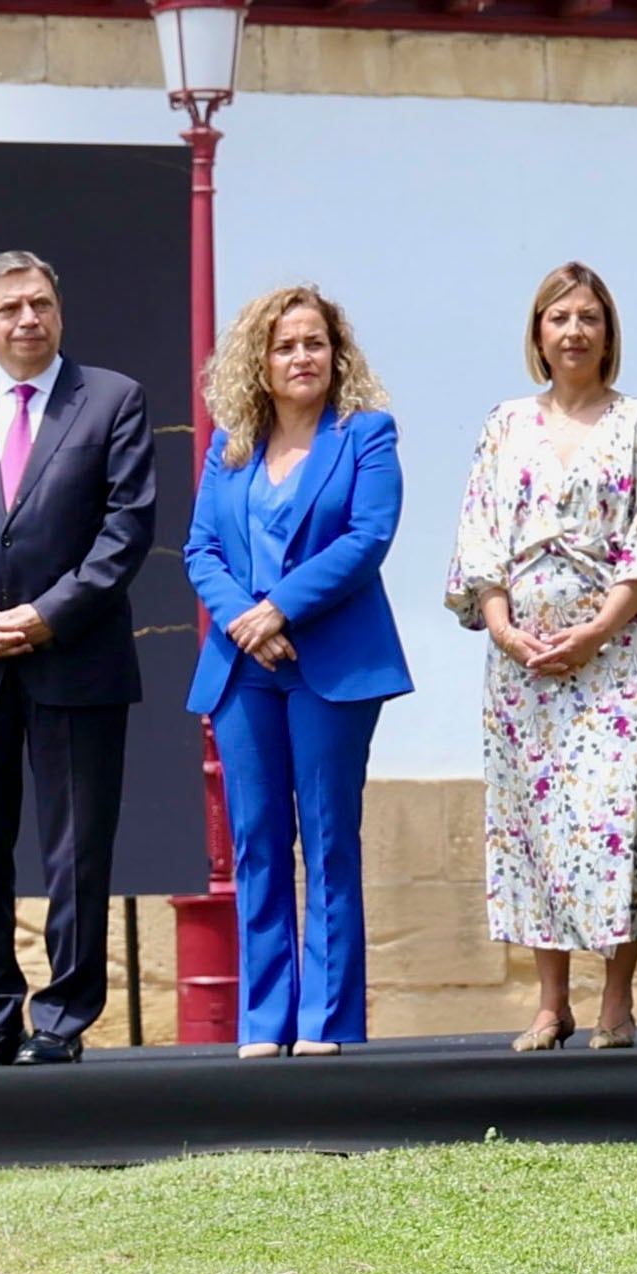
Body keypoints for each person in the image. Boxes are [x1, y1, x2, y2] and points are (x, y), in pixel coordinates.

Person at [0, 250, 161, 1064]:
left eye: (40, 303)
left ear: (60, 310)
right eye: (8, 308)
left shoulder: (112, 398)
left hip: (74, 657)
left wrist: (45, 617)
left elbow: (126, 531)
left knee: (75, 849)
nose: (27, 319)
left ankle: (62, 1018)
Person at [445, 263, 637, 1051]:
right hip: (521, 659)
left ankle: (616, 1001)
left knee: (616, 819)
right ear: (538, 333)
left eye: (589, 317)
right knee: (531, 827)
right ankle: (551, 1002)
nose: (574, 331)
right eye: (560, 317)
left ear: (608, 332)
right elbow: (480, 541)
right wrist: (505, 628)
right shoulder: (505, 423)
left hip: (613, 655)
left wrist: (593, 631)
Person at [186, 286, 411, 1057]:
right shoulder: (230, 443)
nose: (302, 357)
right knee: (256, 841)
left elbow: (367, 536)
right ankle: (265, 1022)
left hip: (332, 665)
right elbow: (201, 551)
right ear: (262, 360)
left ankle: (326, 1023)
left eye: (315, 343)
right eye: (286, 346)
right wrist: (249, 624)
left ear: (336, 353)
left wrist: (277, 608)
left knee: (326, 840)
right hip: (244, 668)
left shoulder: (367, 435)